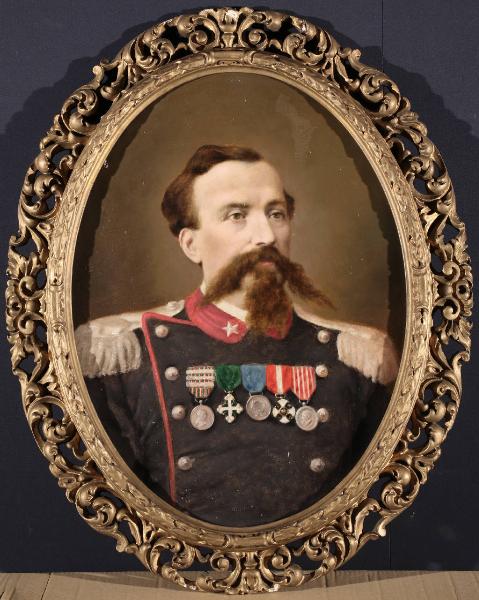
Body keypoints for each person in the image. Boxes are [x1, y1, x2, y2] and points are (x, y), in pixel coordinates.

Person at [75, 144, 398, 527]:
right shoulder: (121, 353)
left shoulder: (359, 358)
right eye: (237, 215)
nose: (266, 236)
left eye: (276, 214)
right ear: (191, 244)